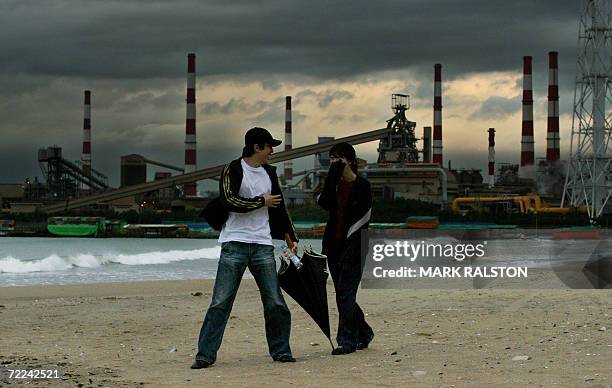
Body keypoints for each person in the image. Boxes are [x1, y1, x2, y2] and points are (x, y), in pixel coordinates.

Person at [192, 127, 299, 369]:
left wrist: (289, 235)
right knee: (220, 301)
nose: (272, 151)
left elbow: (279, 207)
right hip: (234, 243)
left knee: (275, 302)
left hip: (262, 244)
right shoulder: (233, 168)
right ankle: (205, 355)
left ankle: (281, 351)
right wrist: (261, 201)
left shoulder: (270, 173)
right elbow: (229, 199)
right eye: (269, 146)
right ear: (256, 147)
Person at [317, 142, 374, 355]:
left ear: (349, 160)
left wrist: (352, 246)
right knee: (343, 293)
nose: (334, 162)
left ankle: (347, 341)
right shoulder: (333, 185)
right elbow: (324, 204)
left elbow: (364, 218)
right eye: (331, 158)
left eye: (338, 158)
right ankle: (365, 331)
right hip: (333, 245)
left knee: (345, 293)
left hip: (356, 245)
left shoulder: (363, 186)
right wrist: (332, 179)